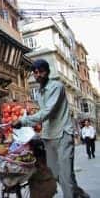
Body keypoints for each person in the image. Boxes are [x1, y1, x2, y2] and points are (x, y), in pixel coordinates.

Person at [12, 59, 89, 198]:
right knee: (54, 173)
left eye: (41, 71)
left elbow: (47, 112)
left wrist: (23, 121)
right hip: (48, 136)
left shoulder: (56, 87)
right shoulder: (40, 91)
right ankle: (79, 194)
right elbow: (43, 115)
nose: (38, 75)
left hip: (63, 135)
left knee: (66, 175)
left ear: (47, 72)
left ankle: (72, 194)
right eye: (35, 72)